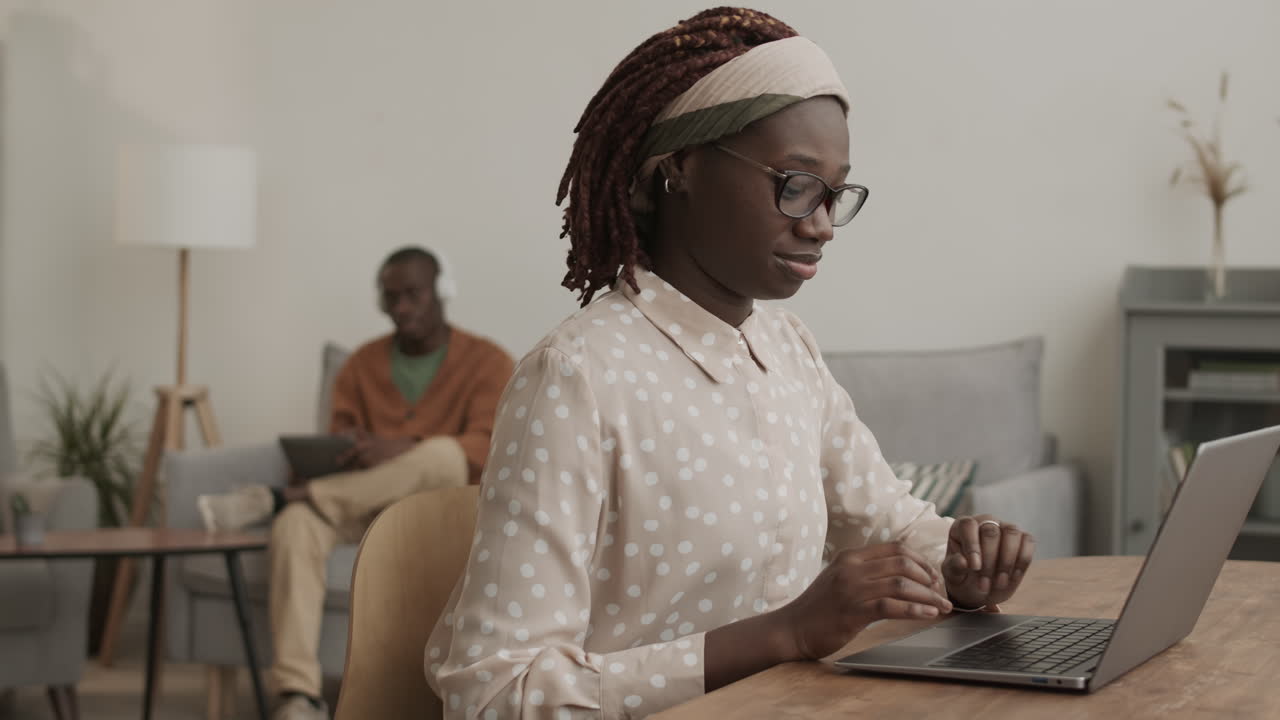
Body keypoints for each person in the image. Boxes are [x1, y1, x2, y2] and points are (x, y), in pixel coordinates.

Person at [426, 7, 1036, 718]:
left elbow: (890, 525)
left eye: (835, 194)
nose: (820, 224)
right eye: (796, 184)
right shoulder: (576, 378)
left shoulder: (787, 350)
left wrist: (960, 561)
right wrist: (783, 634)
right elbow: (497, 691)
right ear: (679, 168)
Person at [199, 246, 514, 720]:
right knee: (296, 526)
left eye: (413, 295)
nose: (402, 308)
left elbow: (490, 448)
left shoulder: (488, 361)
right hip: (362, 504)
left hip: (440, 509)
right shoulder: (361, 365)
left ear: (441, 293)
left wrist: (404, 445)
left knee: (444, 454)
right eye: (391, 298)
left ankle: (279, 499)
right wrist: (346, 451)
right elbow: (339, 442)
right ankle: (298, 696)